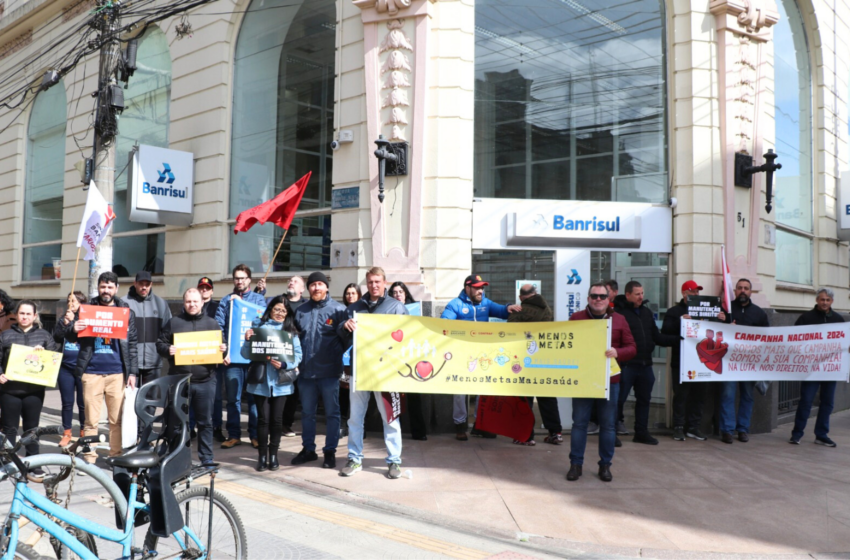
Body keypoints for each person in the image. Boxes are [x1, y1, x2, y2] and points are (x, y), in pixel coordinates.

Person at [339, 268, 408, 478]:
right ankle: (354, 458)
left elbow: (408, 335)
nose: (374, 285)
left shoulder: (396, 306)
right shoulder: (354, 307)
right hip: (359, 369)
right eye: (370, 282)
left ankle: (394, 461)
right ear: (366, 284)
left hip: (386, 371)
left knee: (390, 418)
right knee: (355, 417)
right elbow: (340, 333)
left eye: (377, 281)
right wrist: (345, 325)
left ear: (384, 282)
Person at [65, 271, 139, 462]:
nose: (106, 290)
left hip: (117, 373)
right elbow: (69, 336)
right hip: (91, 373)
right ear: (98, 288)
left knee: (116, 421)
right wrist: (74, 328)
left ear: (116, 288)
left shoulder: (126, 311)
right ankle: (90, 457)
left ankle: (115, 456)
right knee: (91, 420)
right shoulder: (87, 308)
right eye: (103, 287)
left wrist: (132, 372)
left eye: (110, 287)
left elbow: (132, 344)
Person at [567, 283, 636, 482]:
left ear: (609, 299)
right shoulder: (576, 318)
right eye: (594, 296)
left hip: (610, 380)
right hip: (584, 379)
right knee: (579, 424)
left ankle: (605, 466)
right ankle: (576, 464)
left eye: (602, 296)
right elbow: (568, 346)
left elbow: (632, 348)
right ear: (588, 298)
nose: (598, 299)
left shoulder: (620, 319)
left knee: (608, 426)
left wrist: (618, 352)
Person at [440, 275, 520, 441]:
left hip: (482, 355)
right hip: (462, 355)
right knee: (460, 391)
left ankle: (480, 425)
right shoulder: (455, 304)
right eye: (477, 287)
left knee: (482, 390)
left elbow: (500, 311)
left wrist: (509, 308)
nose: (480, 291)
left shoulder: (486, 302)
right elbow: (444, 323)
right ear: (467, 288)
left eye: (482, 287)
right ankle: (460, 426)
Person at [156, 288, 227, 466]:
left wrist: (223, 349)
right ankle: (176, 457)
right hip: (180, 381)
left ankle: (206, 458)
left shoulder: (212, 324)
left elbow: (222, 345)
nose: (192, 304)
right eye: (188, 301)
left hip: (205, 382)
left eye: (195, 301)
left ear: (202, 302)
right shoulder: (174, 323)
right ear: (183, 303)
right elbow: (160, 343)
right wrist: (167, 350)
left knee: (205, 422)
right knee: (176, 422)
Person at [292, 272, 348, 468]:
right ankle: (308, 450)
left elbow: (346, 340)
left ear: (326, 287)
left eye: (319, 284)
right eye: (312, 285)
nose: (316, 288)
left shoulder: (339, 310)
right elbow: (292, 337)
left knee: (333, 413)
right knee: (308, 413)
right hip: (306, 373)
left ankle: (330, 451)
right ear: (308, 289)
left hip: (330, 373)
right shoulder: (301, 310)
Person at [613, 281, 679, 445]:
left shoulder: (647, 313)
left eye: (642, 293)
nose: (641, 297)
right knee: (618, 401)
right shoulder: (618, 314)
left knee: (644, 401)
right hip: (626, 365)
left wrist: (680, 340)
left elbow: (657, 337)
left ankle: (641, 432)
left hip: (645, 365)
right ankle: (611, 433)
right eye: (637, 294)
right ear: (628, 295)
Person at [661, 280, 725, 442]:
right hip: (681, 362)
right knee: (681, 396)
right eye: (693, 292)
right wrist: (680, 321)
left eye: (698, 292)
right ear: (684, 293)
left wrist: (721, 318)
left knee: (699, 396)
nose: (696, 294)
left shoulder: (707, 309)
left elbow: (719, 331)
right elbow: (665, 331)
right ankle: (678, 427)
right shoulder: (674, 311)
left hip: (701, 362)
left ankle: (694, 427)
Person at [245, 297, 303, 471]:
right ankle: (262, 457)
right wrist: (248, 340)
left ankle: (273, 455)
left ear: (288, 314)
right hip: (260, 383)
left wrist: (285, 364)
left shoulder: (290, 332)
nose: (279, 313)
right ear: (270, 309)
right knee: (263, 420)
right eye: (277, 309)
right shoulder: (258, 329)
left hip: (281, 383)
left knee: (277, 421)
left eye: (283, 311)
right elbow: (246, 354)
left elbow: (298, 355)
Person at [215, 264, 268, 449]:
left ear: (249, 280)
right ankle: (234, 435)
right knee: (232, 400)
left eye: (243, 278)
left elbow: (263, 321)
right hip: (232, 360)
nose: (240, 281)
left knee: (254, 398)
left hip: (253, 358)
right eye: (237, 278)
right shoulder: (226, 301)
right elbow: (219, 327)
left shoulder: (259, 300)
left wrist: (243, 303)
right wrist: (224, 352)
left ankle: (254, 435)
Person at [0, 301, 59, 460]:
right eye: (21, 313)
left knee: (32, 429)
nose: (24, 317)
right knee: (9, 429)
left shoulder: (44, 335)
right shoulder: (5, 335)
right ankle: (7, 461)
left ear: (34, 316)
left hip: (34, 392)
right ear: (17, 315)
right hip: (9, 391)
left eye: (28, 314)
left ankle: (33, 462)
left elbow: (54, 361)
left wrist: (43, 354)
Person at [508, 283, 562, 446]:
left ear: (520, 297)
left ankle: (526, 436)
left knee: (524, 398)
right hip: (544, 358)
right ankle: (555, 433)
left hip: (525, 358)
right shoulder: (547, 308)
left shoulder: (521, 310)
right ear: (535, 293)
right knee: (547, 397)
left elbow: (510, 330)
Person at [790, 288, 844, 447]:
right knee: (806, 401)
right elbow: (793, 338)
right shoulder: (806, 318)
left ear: (832, 301)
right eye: (822, 299)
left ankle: (821, 434)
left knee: (827, 402)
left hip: (831, 368)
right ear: (817, 300)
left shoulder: (839, 319)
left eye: (828, 300)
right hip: (811, 370)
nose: (825, 302)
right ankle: (796, 434)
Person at [719, 278, 769, 444]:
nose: (742, 291)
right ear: (735, 290)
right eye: (739, 288)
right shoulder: (726, 309)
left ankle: (742, 429)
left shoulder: (759, 313)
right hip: (729, 360)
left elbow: (766, 338)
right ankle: (727, 430)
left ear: (750, 292)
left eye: (746, 288)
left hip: (749, 362)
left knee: (747, 396)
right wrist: (724, 323)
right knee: (727, 394)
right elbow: (712, 332)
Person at [388, 280, 428, 441]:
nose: (397, 295)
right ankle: (393, 432)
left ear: (406, 294)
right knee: (392, 398)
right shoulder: (386, 310)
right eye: (394, 292)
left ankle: (419, 432)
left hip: (412, 358)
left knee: (414, 398)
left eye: (400, 292)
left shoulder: (415, 311)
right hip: (393, 358)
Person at [53, 291, 88, 447]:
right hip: (65, 367)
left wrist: (74, 323)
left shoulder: (85, 319)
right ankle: (67, 432)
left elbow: (86, 337)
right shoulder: (64, 319)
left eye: (74, 301)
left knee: (82, 403)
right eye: (69, 301)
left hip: (81, 367)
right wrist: (65, 323)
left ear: (81, 303)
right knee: (67, 402)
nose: (71, 303)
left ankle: (83, 432)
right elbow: (56, 337)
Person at [126, 270, 172, 386]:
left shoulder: (161, 304)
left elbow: (168, 331)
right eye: (141, 284)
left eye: (147, 285)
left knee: (150, 401)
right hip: (130, 362)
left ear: (151, 285)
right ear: (135, 283)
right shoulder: (124, 303)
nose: (144, 287)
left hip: (153, 361)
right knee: (130, 401)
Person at [279, 275, 309, 437]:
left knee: (293, 391)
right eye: (290, 280)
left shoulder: (306, 306)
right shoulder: (279, 301)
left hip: (298, 354)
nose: (291, 282)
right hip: (279, 351)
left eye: (296, 281)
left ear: (302, 289)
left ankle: (286, 424)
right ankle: (275, 422)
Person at [197, 276, 226, 442]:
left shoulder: (218, 307)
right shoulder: (192, 307)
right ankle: (193, 426)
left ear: (212, 291)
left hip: (214, 358)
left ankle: (217, 427)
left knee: (216, 396)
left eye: (207, 288)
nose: (204, 290)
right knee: (193, 394)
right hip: (195, 358)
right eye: (201, 287)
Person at [338, 283, 362, 438]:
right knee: (343, 393)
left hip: (359, 361)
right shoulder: (341, 312)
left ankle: (359, 426)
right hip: (343, 362)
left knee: (358, 395)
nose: (350, 296)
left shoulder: (364, 311)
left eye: (353, 293)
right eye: (348, 293)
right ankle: (342, 425)